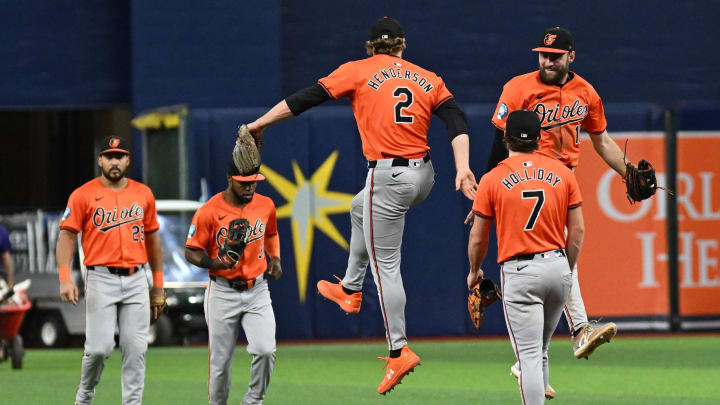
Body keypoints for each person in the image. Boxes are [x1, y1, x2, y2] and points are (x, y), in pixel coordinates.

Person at [245, 16, 476, 395]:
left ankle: (398, 349)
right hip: (424, 175)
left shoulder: (357, 70)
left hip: (388, 177)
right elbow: (456, 118)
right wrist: (464, 167)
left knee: (387, 266)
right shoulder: (426, 76)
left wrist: (260, 124)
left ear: (371, 48)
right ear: (402, 46)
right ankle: (350, 288)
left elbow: (306, 98)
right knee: (358, 207)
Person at [484, 27, 618, 366]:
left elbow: (601, 140)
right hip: (526, 176)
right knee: (559, 252)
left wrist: (627, 170)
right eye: (543, 55)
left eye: (555, 56)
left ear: (571, 56)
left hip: (562, 176)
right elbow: (498, 140)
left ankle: (530, 358)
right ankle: (580, 330)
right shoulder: (518, 88)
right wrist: (489, 187)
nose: (548, 61)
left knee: (561, 254)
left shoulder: (585, 91)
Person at [469, 109, 584, 405]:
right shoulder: (562, 172)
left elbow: (479, 237)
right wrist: (566, 270)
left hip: (520, 272)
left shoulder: (493, 179)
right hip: (558, 268)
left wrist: (474, 271)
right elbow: (578, 231)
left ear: (506, 138)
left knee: (530, 356)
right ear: (540, 139)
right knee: (540, 348)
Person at [57, 136, 165, 405]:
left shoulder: (143, 194)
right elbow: (67, 236)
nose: (114, 161)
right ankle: (85, 394)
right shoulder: (82, 194)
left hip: (137, 278)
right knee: (99, 349)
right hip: (101, 277)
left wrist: (158, 285)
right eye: (109, 156)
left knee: (136, 348)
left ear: (128, 160)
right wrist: (64, 278)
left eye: (119, 156)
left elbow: (153, 240)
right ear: (100, 160)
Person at [185, 158, 282, 405]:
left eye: (253, 182)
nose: (249, 188)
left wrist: (276, 258)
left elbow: (271, 233)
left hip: (257, 289)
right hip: (222, 291)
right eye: (243, 183)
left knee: (265, 350)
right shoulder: (208, 210)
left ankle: (253, 401)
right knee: (220, 364)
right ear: (230, 178)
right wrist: (215, 263)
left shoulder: (266, 205)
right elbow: (191, 251)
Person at [0, 225, 12, 289]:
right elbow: (6, 259)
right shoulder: (1, 232)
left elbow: (6, 259)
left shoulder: (2, 232)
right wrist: (10, 284)